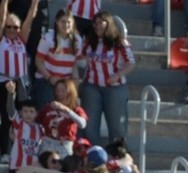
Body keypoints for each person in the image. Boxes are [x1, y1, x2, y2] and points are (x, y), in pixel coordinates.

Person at [80, 10, 135, 146]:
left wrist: (117, 75)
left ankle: (118, 158)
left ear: (108, 23)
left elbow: (131, 63)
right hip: (92, 87)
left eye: (101, 23)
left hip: (115, 89)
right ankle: (92, 157)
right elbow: (79, 60)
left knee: (117, 126)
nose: (97, 26)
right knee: (89, 126)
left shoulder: (120, 42)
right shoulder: (88, 42)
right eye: (95, 23)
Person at [0, 0, 38, 160]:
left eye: (15, 27)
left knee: (21, 118)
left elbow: (29, 19)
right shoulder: (1, 38)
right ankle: (4, 152)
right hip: (4, 82)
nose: (12, 30)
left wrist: (34, 3)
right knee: (6, 117)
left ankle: (19, 150)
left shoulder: (21, 39)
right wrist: (5, 2)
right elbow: (2, 18)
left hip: (21, 83)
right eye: (9, 27)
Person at [33, 8, 82, 109]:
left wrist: (75, 86)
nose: (66, 25)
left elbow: (74, 64)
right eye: (63, 21)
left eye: (69, 22)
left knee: (66, 113)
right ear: (57, 22)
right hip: (46, 80)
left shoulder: (77, 40)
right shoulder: (48, 38)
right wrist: (50, 78)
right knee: (46, 112)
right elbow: (38, 61)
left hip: (66, 82)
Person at [37, 78, 88, 158]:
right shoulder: (48, 107)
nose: (59, 93)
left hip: (65, 144)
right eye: (57, 90)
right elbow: (36, 121)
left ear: (70, 91)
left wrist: (67, 110)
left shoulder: (76, 109)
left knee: (63, 167)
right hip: (48, 142)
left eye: (63, 90)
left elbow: (82, 124)